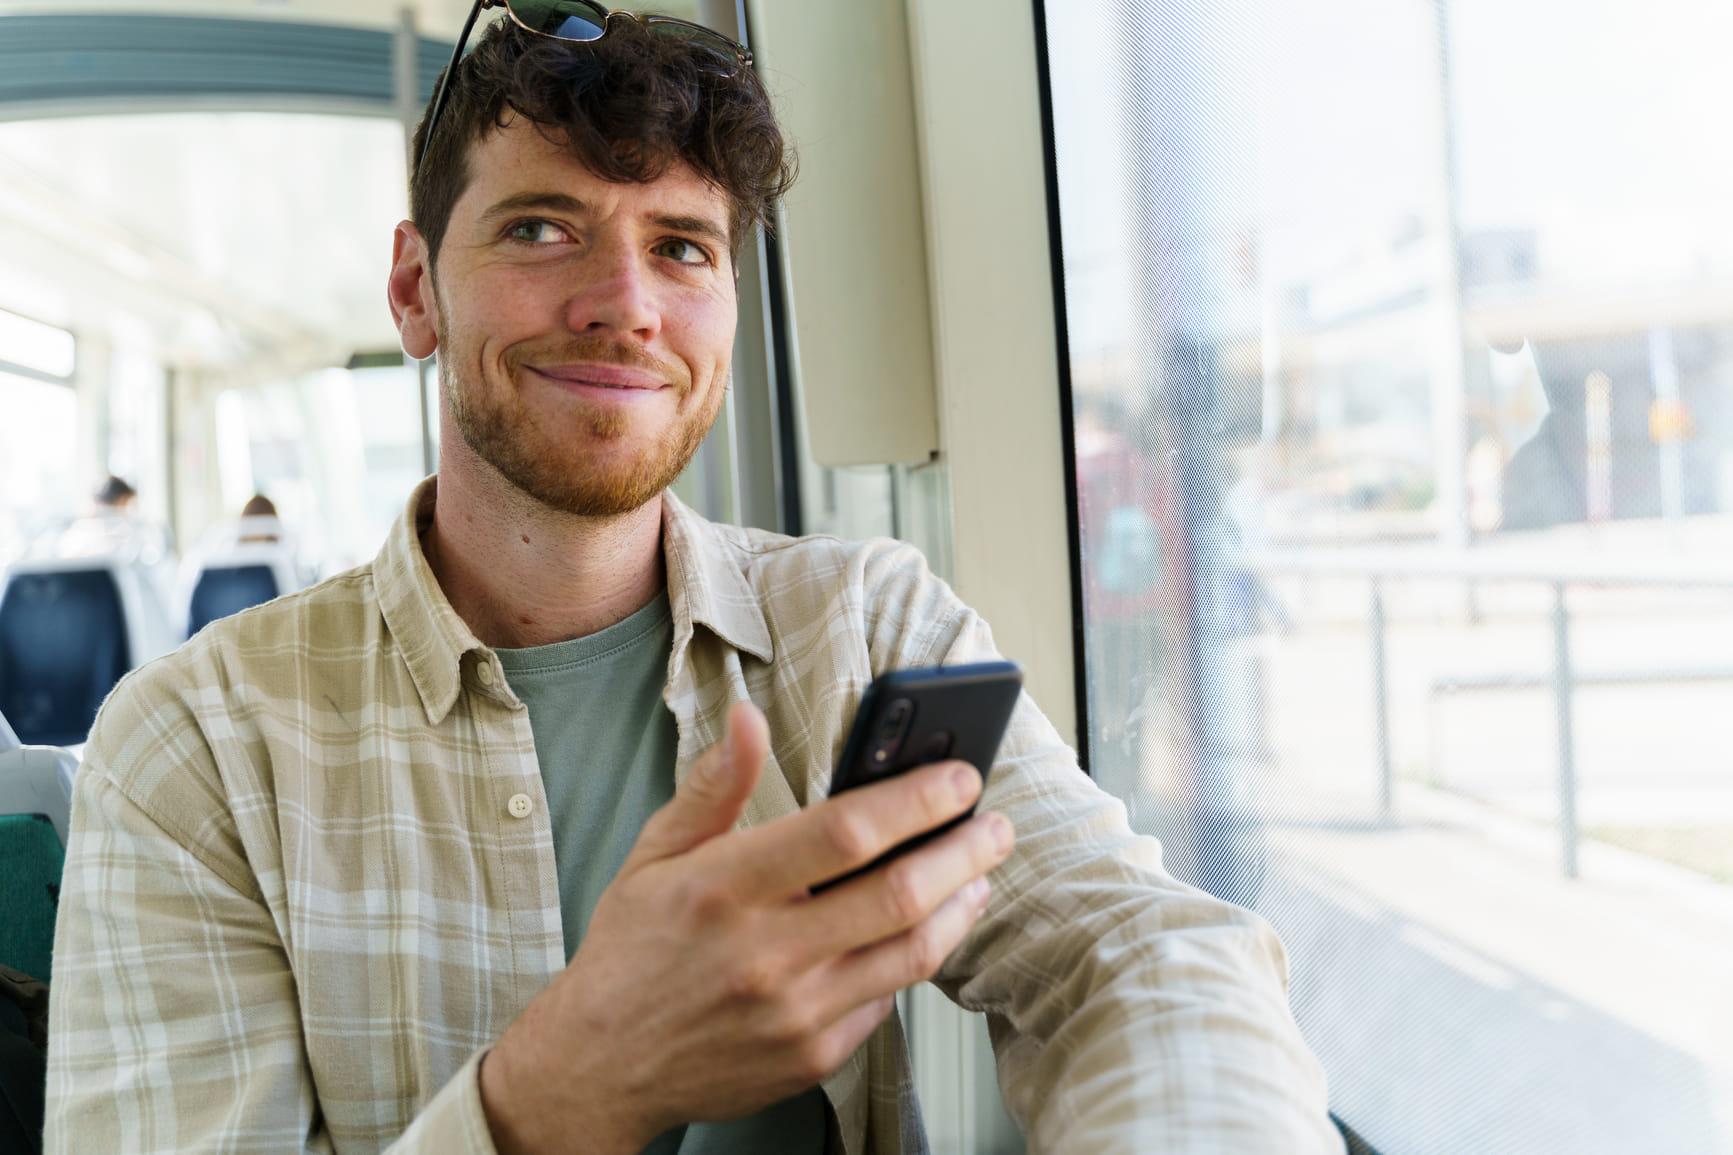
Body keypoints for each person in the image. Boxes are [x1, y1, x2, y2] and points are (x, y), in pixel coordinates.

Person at [43, 9, 1340, 1154]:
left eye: (681, 247)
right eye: (541, 227)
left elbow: (1133, 957)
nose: (624, 304)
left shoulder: (867, 627)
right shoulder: (193, 745)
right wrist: (561, 1094)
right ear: (413, 289)